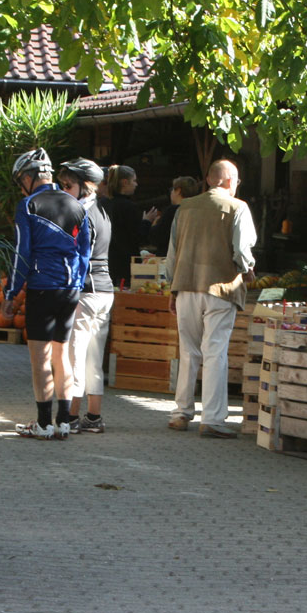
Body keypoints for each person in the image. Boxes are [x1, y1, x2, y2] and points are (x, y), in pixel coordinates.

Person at [3, 152, 94, 441]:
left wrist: (11, 292)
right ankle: (63, 422)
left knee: (40, 357)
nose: (21, 187)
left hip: (42, 287)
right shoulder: (77, 205)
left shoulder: (28, 205)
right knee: (61, 354)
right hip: (70, 290)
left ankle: (43, 424)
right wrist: (76, 284)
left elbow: (22, 252)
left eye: (20, 181)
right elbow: (85, 253)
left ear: (28, 177)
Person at [166, 158, 257, 438]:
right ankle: (213, 419)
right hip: (221, 288)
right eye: (237, 181)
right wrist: (248, 269)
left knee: (188, 351)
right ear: (230, 181)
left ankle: (181, 413)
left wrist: (173, 287)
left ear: (208, 179)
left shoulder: (185, 208)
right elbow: (241, 250)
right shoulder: (238, 207)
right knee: (215, 352)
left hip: (186, 285)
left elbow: (172, 252)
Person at [64, 164, 114, 435]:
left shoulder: (81, 213)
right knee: (94, 358)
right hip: (105, 291)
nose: (64, 192)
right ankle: (93, 417)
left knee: (75, 355)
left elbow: (78, 256)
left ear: (85, 186)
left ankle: (71, 416)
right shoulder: (102, 211)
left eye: (68, 186)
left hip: (85, 291)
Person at [105, 164, 160, 286]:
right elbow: (138, 237)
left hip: (108, 262)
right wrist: (147, 222)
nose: (136, 184)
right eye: (134, 181)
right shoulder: (128, 207)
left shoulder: (106, 204)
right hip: (127, 264)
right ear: (125, 182)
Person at [147, 176, 199, 255]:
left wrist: (153, 224)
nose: (171, 193)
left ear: (178, 191)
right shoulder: (196, 210)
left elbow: (157, 237)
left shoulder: (172, 211)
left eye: (173, 189)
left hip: (170, 255)